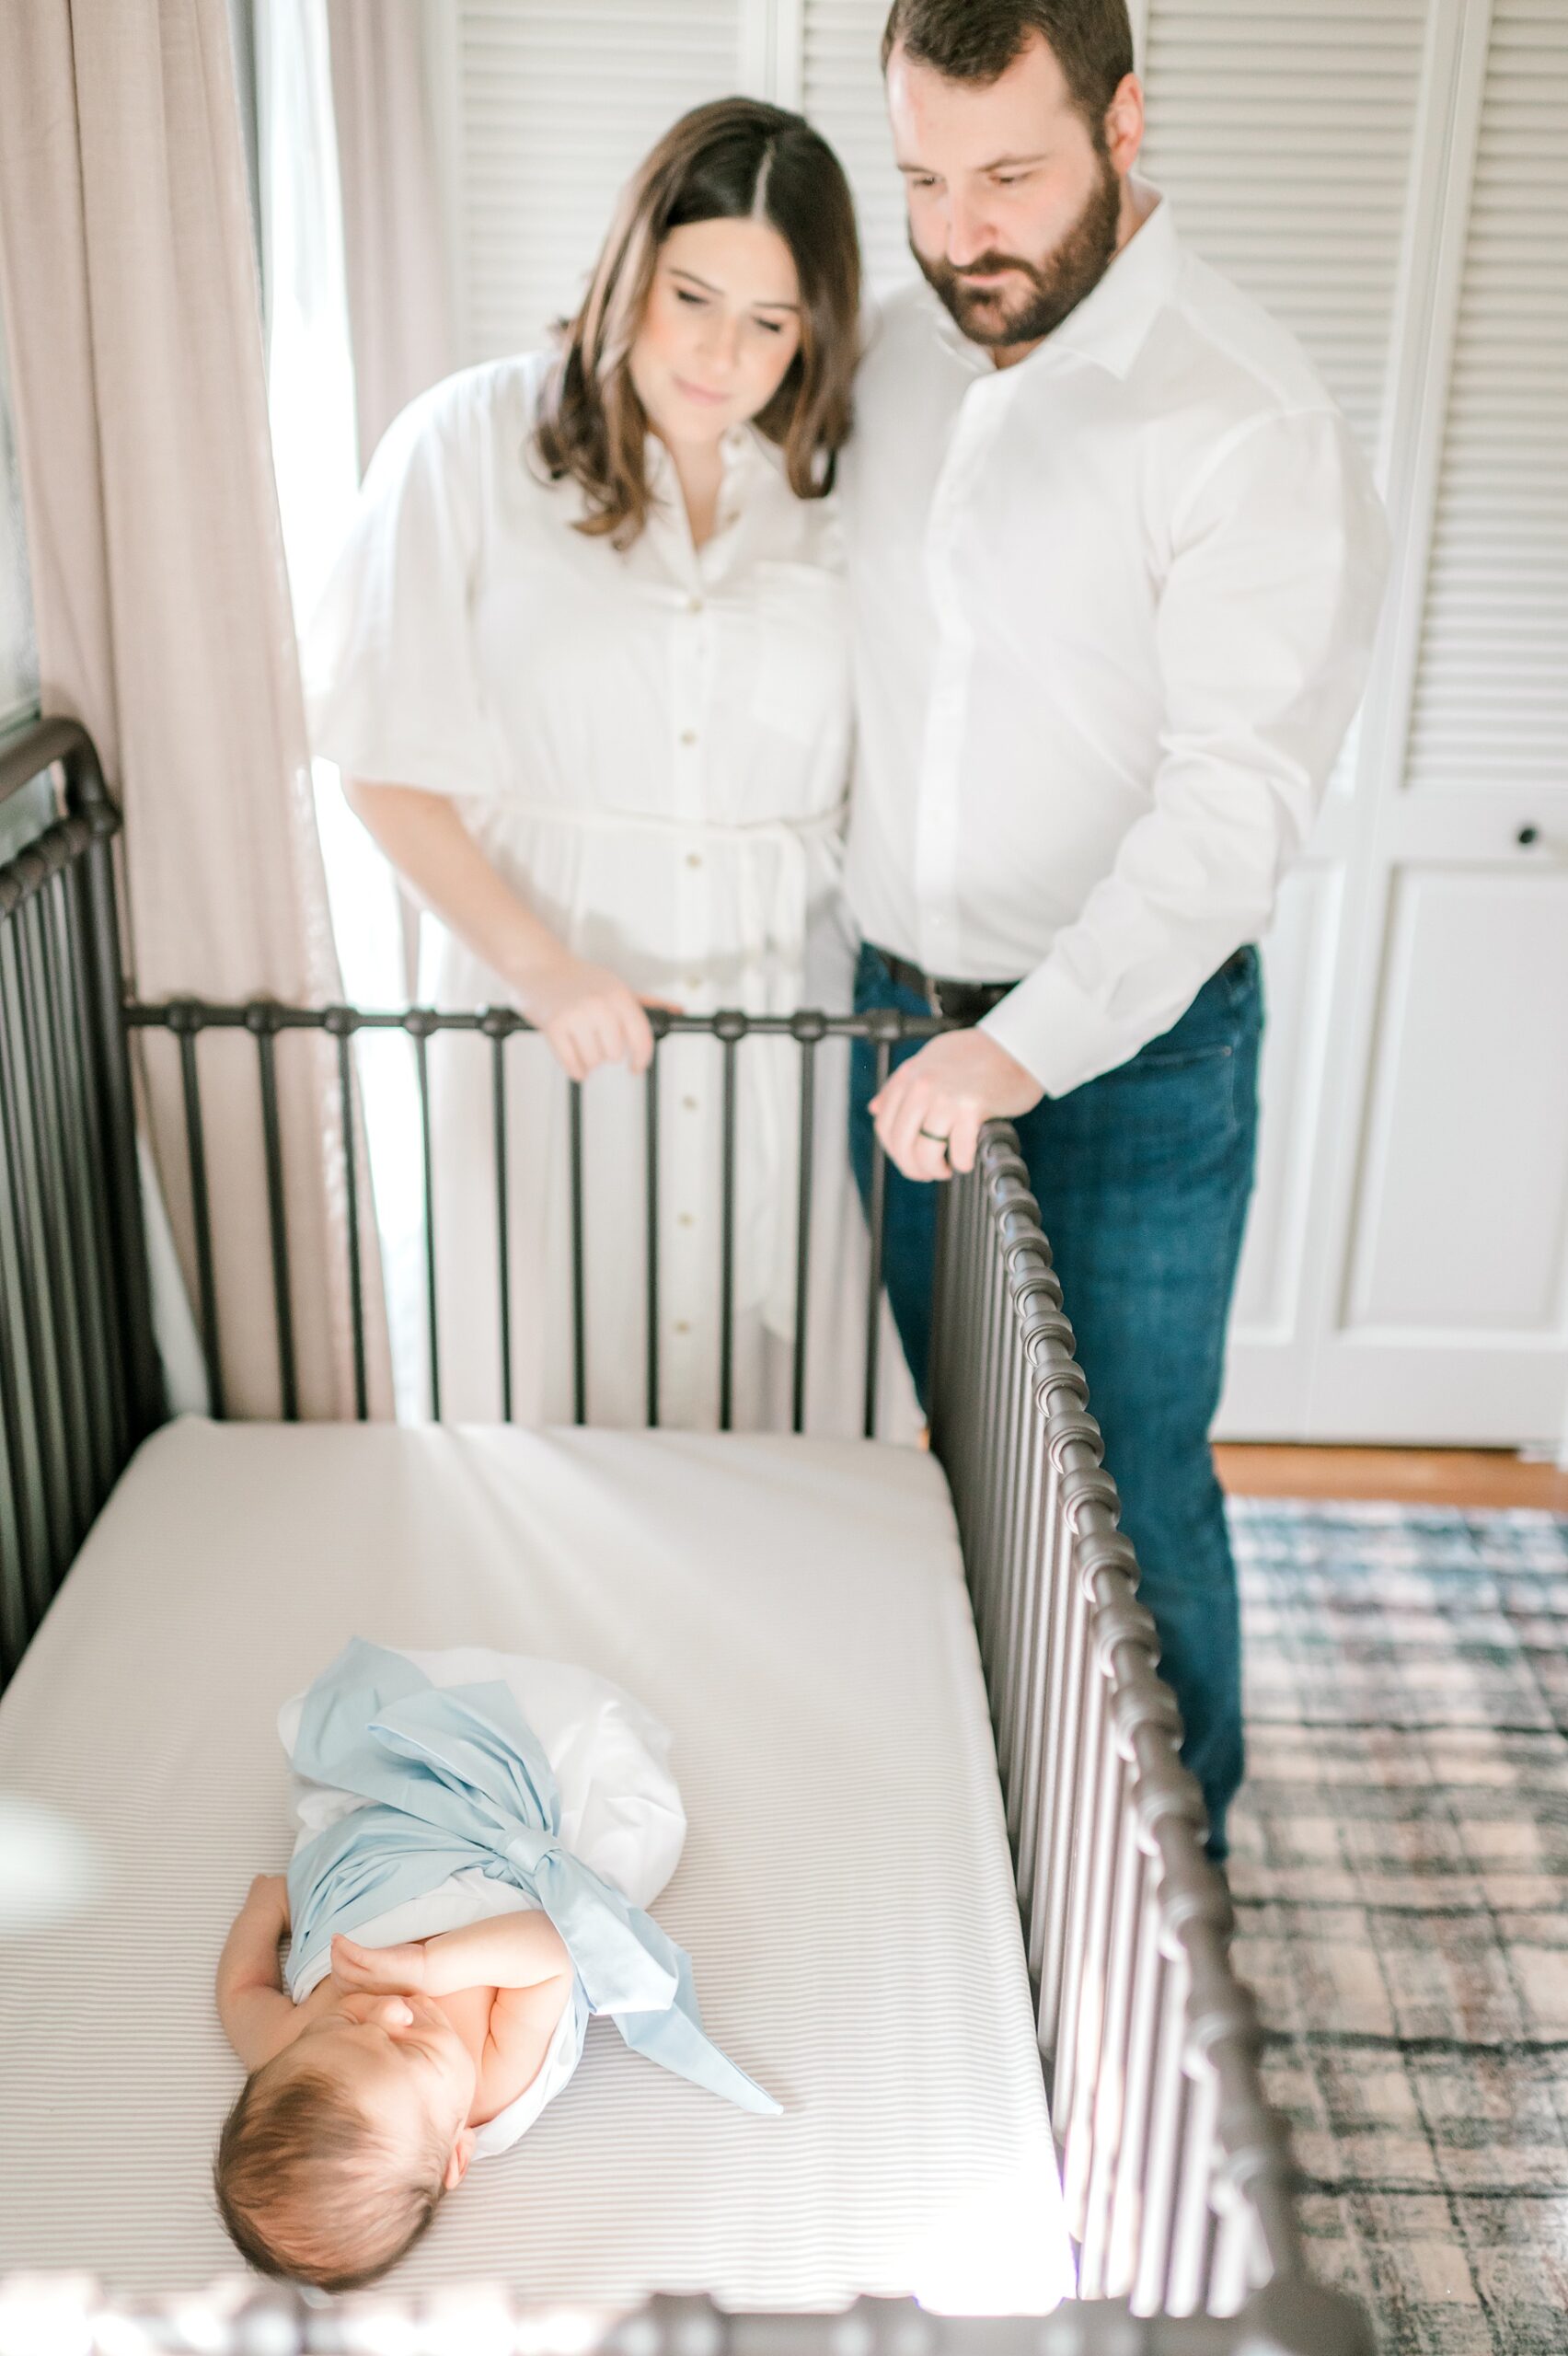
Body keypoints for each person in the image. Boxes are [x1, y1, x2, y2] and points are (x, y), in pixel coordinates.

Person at [844, 0, 1389, 1857]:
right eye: (922, 178)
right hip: (898, 1016)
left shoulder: (1244, 415)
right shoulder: (898, 362)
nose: (959, 229)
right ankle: (1014, 1817)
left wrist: (1025, 1044)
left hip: (1137, 1057)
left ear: (1127, 121)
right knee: (971, 1456)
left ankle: (1179, 1872)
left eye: (1009, 175)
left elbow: (1233, 802)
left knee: (1132, 1481)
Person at [305, 99, 908, 1433]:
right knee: (538, 1386)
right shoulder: (463, 447)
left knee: (775, 1413)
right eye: (693, 295)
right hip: (545, 1011)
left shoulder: (832, 488)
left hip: (782, 1016)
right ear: (632, 266)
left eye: (772, 320)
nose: (721, 353)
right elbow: (380, 760)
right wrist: (544, 968)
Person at [213, 1642, 776, 2291]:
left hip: (370, 1850)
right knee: (617, 1823)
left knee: (364, 1765)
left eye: (339, 2027)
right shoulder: (496, 2082)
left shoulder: (283, 2051)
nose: (385, 2010)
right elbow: (550, 1952)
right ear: (458, 2151)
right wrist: (430, 1966)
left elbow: (241, 1991)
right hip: (477, 1856)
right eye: (410, 2049)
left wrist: (264, 1911)